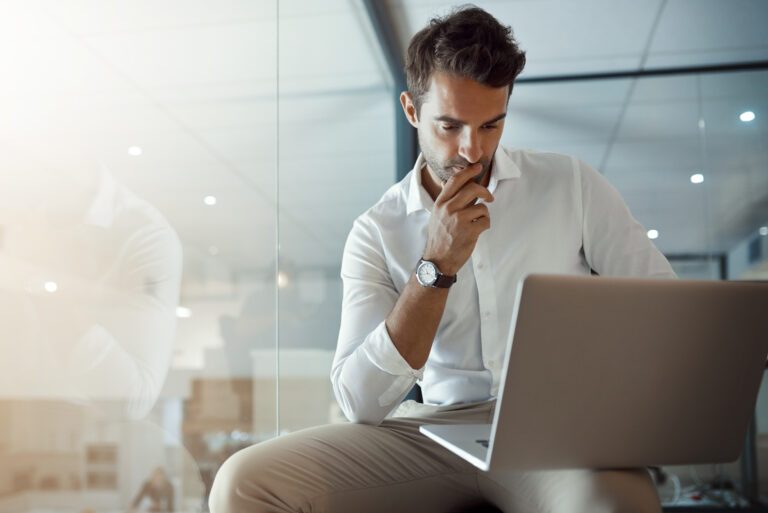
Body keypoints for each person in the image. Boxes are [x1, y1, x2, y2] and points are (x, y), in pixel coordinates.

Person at [209, 6, 675, 512]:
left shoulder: (572, 185)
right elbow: (360, 402)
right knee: (244, 483)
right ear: (411, 110)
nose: (472, 150)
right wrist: (436, 266)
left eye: (491, 125)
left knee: (618, 507)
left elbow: (668, 312)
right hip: (429, 432)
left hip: (553, 433)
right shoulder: (376, 231)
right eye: (450, 126)